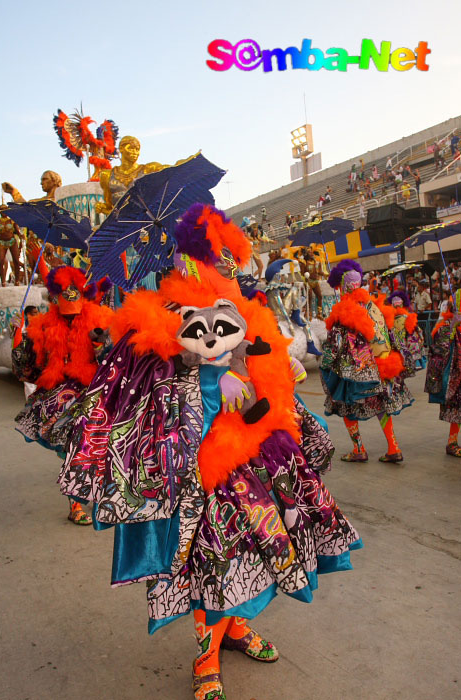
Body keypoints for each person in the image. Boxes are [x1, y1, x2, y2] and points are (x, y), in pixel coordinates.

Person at [58, 204, 362, 700]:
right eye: (217, 255)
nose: (227, 266)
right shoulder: (161, 318)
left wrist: (278, 378)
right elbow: (139, 394)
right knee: (211, 562)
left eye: (231, 256)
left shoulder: (246, 308)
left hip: (257, 456)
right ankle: (206, 655)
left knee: (263, 548)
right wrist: (209, 381)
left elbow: (269, 372)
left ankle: (235, 629)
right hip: (197, 467)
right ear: (191, 261)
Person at [12, 266, 114, 525]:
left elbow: (114, 363)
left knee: (96, 446)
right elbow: (29, 370)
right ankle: (77, 502)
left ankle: (93, 493)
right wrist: (19, 336)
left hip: (93, 392)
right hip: (59, 396)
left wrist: (100, 345)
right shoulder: (44, 325)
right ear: (54, 299)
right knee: (72, 447)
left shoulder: (100, 319)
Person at [321, 259, 413, 463]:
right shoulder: (375, 305)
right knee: (381, 407)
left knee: (345, 405)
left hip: (357, 373)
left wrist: (326, 363)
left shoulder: (344, 310)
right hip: (384, 366)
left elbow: (336, 344)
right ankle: (393, 447)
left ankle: (359, 449)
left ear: (343, 287)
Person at [425, 289, 461, 457]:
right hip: (455, 380)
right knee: (456, 409)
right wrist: (453, 325)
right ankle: (452, 443)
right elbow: (439, 351)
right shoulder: (445, 328)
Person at [0, 210, 23, 286]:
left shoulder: (12, 220)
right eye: (2, 211)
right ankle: (3, 281)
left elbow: (17, 231)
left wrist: (21, 236)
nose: (3, 212)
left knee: (16, 261)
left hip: (12, 241)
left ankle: (17, 280)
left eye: (5, 210)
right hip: (2, 243)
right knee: (1, 261)